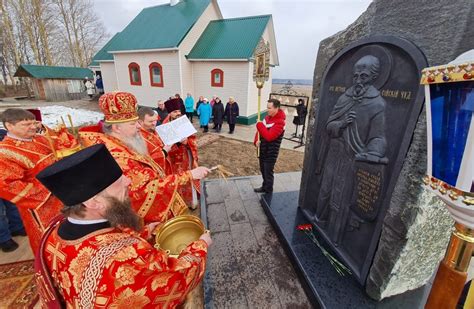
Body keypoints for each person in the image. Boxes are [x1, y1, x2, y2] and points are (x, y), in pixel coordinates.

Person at [35, 144, 212, 308]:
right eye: (118, 183)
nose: (128, 182)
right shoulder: (123, 258)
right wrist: (200, 246)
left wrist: (144, 232)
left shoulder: (52, 232)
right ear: (95, 203)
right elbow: (174, 282)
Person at [79, 91, 209, 223]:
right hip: (140, 218)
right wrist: (189, 175)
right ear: (116, 128)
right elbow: (144, 189)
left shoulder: (122, 142)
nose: (138, 126)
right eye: (132, 123)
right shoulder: (116, 156)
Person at [315, 55, 388, 244]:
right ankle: (318, 220)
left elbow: (378, 137)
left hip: (352, 158)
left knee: (341, 198)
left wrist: (373, 152)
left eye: (363, 76)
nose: (358, 81)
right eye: (355, 76)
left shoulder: (377, 104)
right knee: (326, 190)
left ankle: (334, 235)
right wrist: (341, 124)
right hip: (334, 152)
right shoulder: (345, 97)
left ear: (373, 77)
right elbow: (328, 124)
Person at [0, 108, 78, 252]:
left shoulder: (39, 138)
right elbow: (7, 185)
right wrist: (49, 186)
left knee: (69, 232)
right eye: (26, 124)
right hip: (40, 206)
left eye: (33, 123)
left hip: (63, 196)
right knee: (49, 240)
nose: (33, 127)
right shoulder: (5, 152)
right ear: (9, 126)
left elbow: (60, 144)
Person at [163, 109, 201, 209]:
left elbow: (193, 138)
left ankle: (192, 201)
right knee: (178, 180)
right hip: (174, 161)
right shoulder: (165, 126)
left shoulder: (184, 122)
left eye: (179, 112)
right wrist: (178, 143)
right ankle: (180, 203)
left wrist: (187, 141)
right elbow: (164, 146)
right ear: (170, 113)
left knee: (190, 177)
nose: (178, 114)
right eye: (174, 112)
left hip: (187, 157)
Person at [253, 99, 286, 194]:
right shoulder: (267, 118)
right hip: (263, 150)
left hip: (271, 152)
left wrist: (259, 125)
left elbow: (269, 137)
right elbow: (259, 132)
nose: (267, 110)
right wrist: (256, 141)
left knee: (268, 172)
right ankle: (264, 186)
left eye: (269, 108)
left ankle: (268, 191)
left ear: (276, 108)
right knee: (263, 170)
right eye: (267, 107)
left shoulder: (280, 122)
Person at [138, 107, 172, 174]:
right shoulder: (138, 138)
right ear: (140, 122)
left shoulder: (154, 130)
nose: (154, 123)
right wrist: (164, 152)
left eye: (155, 120)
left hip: (166, 170)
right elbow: (145, 162)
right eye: (150, 121)